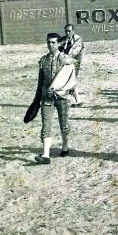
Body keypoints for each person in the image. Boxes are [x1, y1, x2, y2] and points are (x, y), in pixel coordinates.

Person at [34, 33, 74, 164]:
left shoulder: (65, 59)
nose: (50, 45)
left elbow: (71, 78)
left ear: (58, 44)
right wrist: (36, 98)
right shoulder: (43, 60)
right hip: (47, 97)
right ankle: (46, 154)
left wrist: (67, 90)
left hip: (62, 96)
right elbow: (40, 82)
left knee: (64, 123)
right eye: (48, 42)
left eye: (53, 42)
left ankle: (65, 146)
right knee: (46, 125)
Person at [59, 24, 85, 107]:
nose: (67, 33)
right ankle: (77, 100)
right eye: (66, 31)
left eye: (69, 31)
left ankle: (76, 100)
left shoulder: (78, 40)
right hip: (66, 63)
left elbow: (73, 53)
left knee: (69, 81)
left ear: (73, 31)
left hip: (74, 63)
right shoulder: (63, 40)